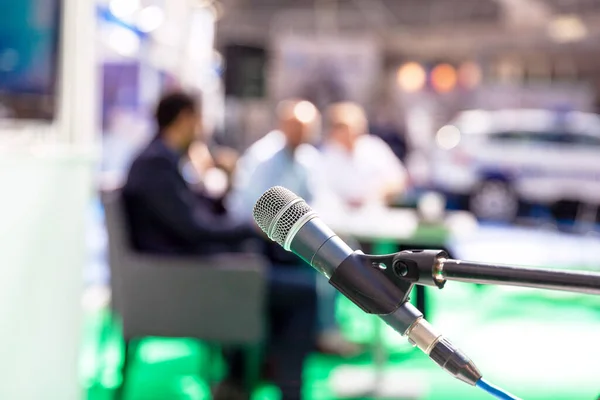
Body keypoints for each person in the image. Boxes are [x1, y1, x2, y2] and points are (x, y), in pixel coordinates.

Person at [123, 92, 316, 400]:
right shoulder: (157, 163)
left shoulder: (160, 159)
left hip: (182, 269)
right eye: (199, 120)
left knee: (272, 266)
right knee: (303, 290)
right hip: (183, 279)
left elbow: (188, 214)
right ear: (186, 119)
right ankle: (286, 387)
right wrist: (250, 228)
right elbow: (193, 229)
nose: (202, 129)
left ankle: (245, 376)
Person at [227, 99, 360, 356]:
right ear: (283, 125)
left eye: (308, 128)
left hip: (295, 239)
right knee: (320, 265)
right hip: (263, 243)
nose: (303, 133)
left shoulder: (307, 158)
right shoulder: (262, 157)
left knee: (342, 251)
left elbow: (319, 199)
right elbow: (250, 211)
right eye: (297, 127)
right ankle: (321, 333)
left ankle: (326, 330)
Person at [321, 102, 408, 208]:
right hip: (338, 217)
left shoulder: (375, 147)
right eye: (342, 127)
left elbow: (397, 180)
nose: (349, 132)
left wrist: (373, 196)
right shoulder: (325, 154)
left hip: (376, 214)